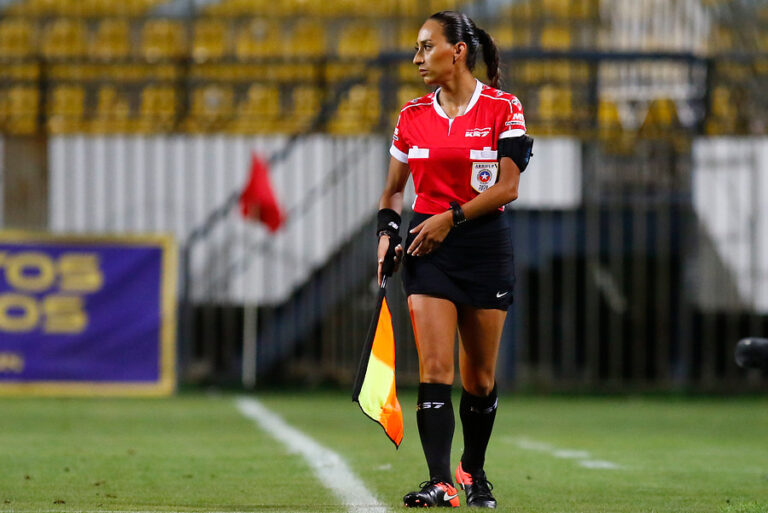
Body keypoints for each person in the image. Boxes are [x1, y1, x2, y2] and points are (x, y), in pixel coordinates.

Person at [375, 10, 533, 509]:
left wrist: (451, 218)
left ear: (458, 51)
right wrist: (387, 233)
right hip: (428, 252)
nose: (417, 57)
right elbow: (393, 194)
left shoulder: (503, 107)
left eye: (426, 47)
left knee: (479, 379)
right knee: (435, 367)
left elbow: (507, 187)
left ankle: (474, 470)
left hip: (483, 248)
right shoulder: (411, 116)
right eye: (418, 48)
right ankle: (440, 480)